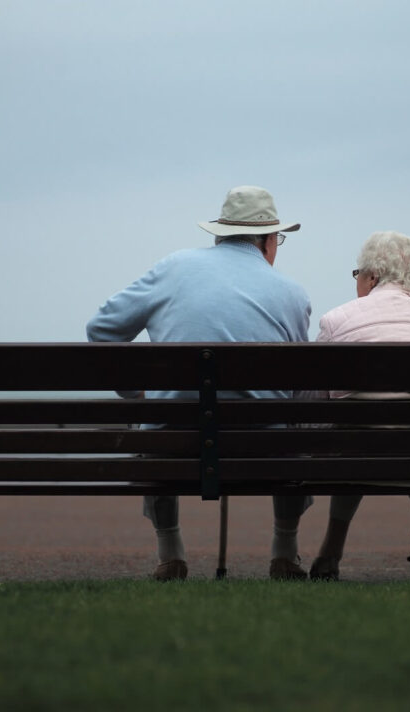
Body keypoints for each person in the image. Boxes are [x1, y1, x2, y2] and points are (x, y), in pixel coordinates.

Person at [86, 185, 313, 581]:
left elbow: (101, 330)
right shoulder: (293, 293)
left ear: (219, 234)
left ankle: (170, 551)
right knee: (292, 426)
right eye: (279, 238)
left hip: (174, 443)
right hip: (264, 448)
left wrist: (135, 394)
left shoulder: (174, 268)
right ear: (267, 240)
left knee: (156, 418)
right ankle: (284, 551)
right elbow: (295, 383)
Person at [307, 230, 410, 582]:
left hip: (357, 451)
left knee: (358, 437)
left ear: (373, 277)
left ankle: (330, 554)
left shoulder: (336, 321)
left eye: (357, 275)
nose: (357, 283)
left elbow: (317, 401)